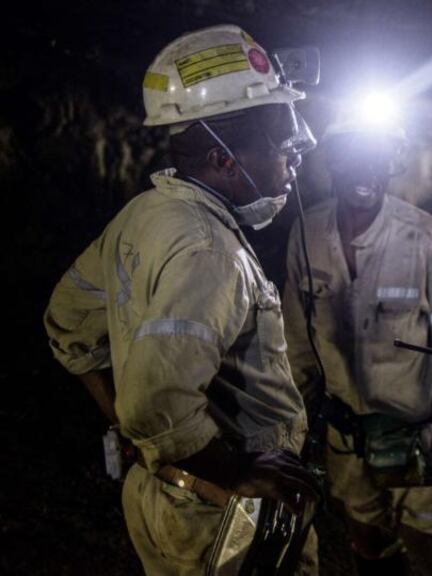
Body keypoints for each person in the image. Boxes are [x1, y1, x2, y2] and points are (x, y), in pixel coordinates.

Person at [43, 24, 320, 575]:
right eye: (280, 145)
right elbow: (154, 403)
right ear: (223, 160)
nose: (295, 161)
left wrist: (139, 437)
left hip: (170, 494)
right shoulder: (207, 250)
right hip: (218, 516)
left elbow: (68, 324)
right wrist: (233, 470)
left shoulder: (146, 214)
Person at [282, 113, 432, 575]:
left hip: (419, 443)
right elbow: (295, 344)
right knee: (368, 547)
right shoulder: (307, 233)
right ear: (331, 162)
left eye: (377, 159)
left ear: (393, 163)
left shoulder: (426, 240)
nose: (364, 172)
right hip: (345, 440)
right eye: (352, 158)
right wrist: (289, 437)